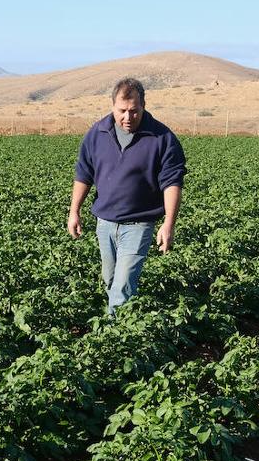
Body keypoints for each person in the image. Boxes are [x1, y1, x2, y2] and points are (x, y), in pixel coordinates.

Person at [67, 77, 186, 313]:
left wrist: (168, 224)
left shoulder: (162, 138)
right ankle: (123, 325)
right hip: (106, 222)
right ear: (112, 106)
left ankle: (114, 340)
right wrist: (74, 211)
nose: (127, 117)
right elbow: (84, 173)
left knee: (122, 288)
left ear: (143, 105)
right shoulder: (97, 133)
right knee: (110, 280)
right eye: (122, 111)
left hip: (139, 223)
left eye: (134, 111)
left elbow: (172, 182)